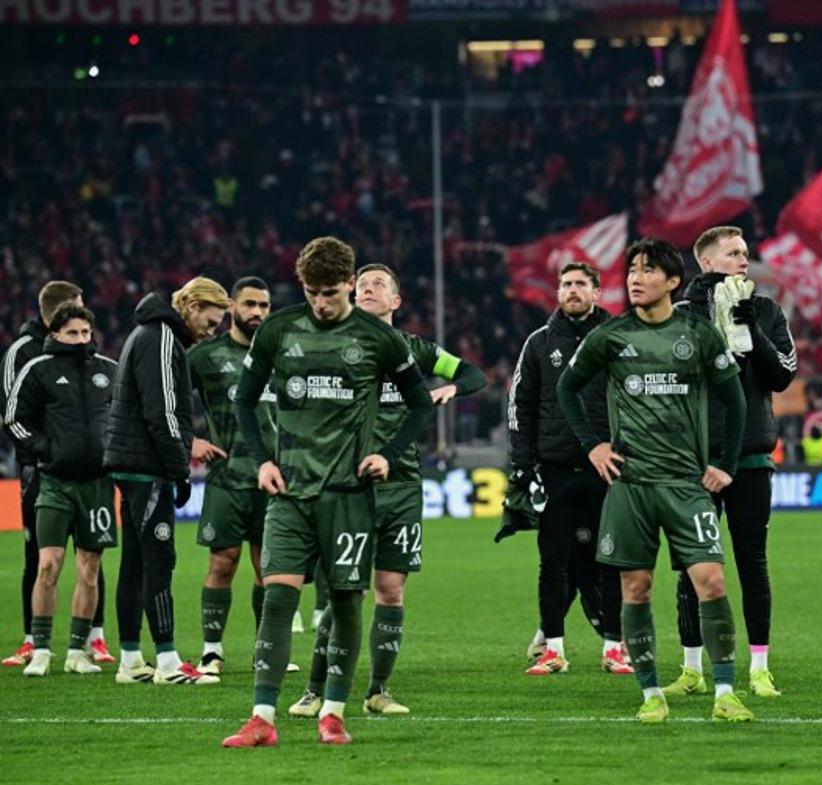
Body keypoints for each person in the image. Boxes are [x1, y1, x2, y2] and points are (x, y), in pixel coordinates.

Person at [221, 237, 434, 748]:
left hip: (348, 494)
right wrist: (263, 460)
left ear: (350, 283)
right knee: (277, 597)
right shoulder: (277, 330)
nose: (322, 303)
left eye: (332, 293)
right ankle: (261, 719)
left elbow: (420, 404)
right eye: (313, 293)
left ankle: (334, 712)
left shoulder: (379, 339)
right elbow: (245, 402)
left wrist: (388, 451)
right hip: (290, 491)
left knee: (344, 599)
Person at [556, 237, 753, 724]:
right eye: (631, 271)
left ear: (672, 281)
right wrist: (593, 446)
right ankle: (650, 695)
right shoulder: (610, 336)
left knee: (711, 581)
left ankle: (725, 691)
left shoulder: (699, 334)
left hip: (687, 483)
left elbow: (735, 399)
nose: (636, 279)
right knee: (636, 588)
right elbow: (568, 387)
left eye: (647, 271)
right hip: (631, 486)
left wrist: (725, 463)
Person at [289, 263, 485, 717]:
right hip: (347, 487)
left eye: (378, 284)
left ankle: (379, 690)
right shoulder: (334, 344)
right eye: (361, 285)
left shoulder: (416, 350)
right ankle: (314, 690)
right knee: (344, 591)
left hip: (403, 487)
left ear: (396, 301)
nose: (367, 288)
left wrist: (449, 389)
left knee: (391, 591)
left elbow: (474, 374)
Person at [665, 225, 796, 699]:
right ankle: (691, 669)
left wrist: (752, 329)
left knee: (751, 562)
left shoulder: (766, 310)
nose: (745, 260)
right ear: (707, 263)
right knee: (692, 565)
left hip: (752, 456)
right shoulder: (680, 315)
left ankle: (759, 667)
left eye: (746, 252)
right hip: (695, 460)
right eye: (733, 253)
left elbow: (782, 376)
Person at [103, 276, 229, 686]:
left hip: (132, 462)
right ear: (191, 306)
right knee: (159, 560)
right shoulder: (161, 337)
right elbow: (165, 413)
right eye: (210, 323)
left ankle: (130, 661)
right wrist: (179, 470)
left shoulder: (151, 332)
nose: (210, 331)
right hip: (146, 465)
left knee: (135, 563)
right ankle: (169, 663)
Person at [508, 262, 629, 677]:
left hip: (609, 469)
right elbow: (519, 404)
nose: (572, 290)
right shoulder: (539, 343)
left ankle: (615, 647)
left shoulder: (618, 340)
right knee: (553, 561)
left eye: (580, 284)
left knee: (611, 560)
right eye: (565, 284)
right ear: (557, 292)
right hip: (555, 468)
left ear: (597, 292)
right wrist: (524, 465)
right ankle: (553, 650)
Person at [1, 281, 114, 667]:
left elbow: (124, 417)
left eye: (86, 332)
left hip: (98, 485)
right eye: (73, 333)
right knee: (46, 562)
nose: (81, 339)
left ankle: (80, 649)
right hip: (52, 480)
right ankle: (39, 647)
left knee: (91, 567)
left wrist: (113, 454)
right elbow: (14, 419)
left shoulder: (108, 371)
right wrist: (45, 451)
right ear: (55, 332)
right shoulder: (36, 367)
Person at [188, 277, 288, 675]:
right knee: (223, 562)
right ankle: (212, 650)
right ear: (232, 306)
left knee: (270, 567)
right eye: (250, 304)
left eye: (264, 306)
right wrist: (188, 439)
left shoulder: (284, 355)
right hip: (227, 478)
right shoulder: (206, 356)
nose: (258, 313)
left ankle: (267, 650)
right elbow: (167, 397)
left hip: (276, 480)